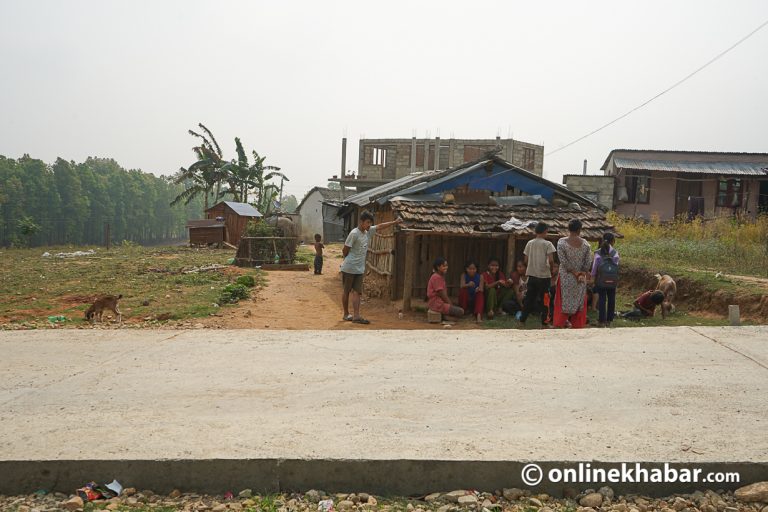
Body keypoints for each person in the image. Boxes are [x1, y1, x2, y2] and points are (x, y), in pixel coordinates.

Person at [341, 211, 402, 324]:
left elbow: (380, 226)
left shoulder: (367, 232)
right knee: (346, 291)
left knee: (357, 292)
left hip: (359, 269)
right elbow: (345, 250)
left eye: (370, 223)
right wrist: (348, 260)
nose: (369, 225)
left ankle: (356, 316)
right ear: (361, 222)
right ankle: (345, 314)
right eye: (368, 222)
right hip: (349, 268)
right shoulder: (354, 234)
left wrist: (395, 222)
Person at [553, 219, 593, 328]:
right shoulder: (586, 245)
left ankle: (559, 323)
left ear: (568, 229)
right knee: (579, 302)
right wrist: (581, 274)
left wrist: (574, 272)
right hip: (580, 278)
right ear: (579, 230)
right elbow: (588, 262)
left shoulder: (561, 242)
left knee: (562, 301)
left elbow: (563, 261)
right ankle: (577, 325)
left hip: (565, 277)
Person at [518, 222, 556, 326]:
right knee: (545, 300)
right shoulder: (548, 244)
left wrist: (532, 265)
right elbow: (551, 260)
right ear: (545, 231)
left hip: (532, 275)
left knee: (529, 299)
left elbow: (525, 260)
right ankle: (545, 322)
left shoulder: (530, 243)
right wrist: (551, 269)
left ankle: (522, 321)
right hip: (544, 276)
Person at [591, 232, 619, 326]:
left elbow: (594, 268)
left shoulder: (598, 253)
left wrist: (593, 278)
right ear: (613, 241)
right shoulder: (615, 253)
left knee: (602, 299)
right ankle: (609, 320)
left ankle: (601, 321)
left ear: (603, 240)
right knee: (612, 299)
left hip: (601, 280)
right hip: (612, 280)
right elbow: (616, 267)